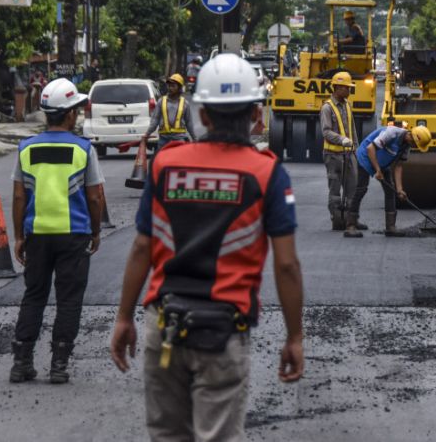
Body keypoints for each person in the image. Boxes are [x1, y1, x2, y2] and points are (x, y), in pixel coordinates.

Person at [110, 53, 304, 441]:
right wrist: (294, 337)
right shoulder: (266, 172)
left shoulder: (167, 164)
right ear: (254, 113)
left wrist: (123, 318)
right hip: (223, 334)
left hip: (163, 327)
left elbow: (141, 250)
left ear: (204, 115)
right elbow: (286, 266)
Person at [9, 78, 104, 384]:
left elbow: (19, 196)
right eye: (75, 109)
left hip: (37, 234)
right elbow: (94, 195)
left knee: (34, 295)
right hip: (74, 235)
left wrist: (20, 236)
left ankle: (21, 362)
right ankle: (59, 364)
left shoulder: (26, 148)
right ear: (68, 114)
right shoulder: (83, 149)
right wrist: (96, 231)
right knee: (69, 299)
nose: (77, 114)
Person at [347, 124, 432, 238]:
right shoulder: (391, 133)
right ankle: (351, 225)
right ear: (411, 136)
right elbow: (370, 148)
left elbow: (398, 167)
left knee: (390, 191)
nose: (415, 146)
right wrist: (377, 170)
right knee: (361, 189)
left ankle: (390, 227)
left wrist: (400, 189)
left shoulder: (406, 146)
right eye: (415, 144)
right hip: (366, 157)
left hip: (383, 163)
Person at [320, 71, 366, 234]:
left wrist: (357, 148)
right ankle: (337, 220)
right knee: (335, 190)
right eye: (347, 88)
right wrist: (341, 139)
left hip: (349, 154)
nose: (349, 91)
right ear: (338, 87)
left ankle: (351, 220)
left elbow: (352, 129)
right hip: (333, 155)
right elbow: (326, 132)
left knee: (352, 189)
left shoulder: (347, 104)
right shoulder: (327, 108)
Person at [144, 73, 196, 149]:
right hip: (164, 140)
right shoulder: (161, 101)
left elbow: (189, 123)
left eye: (173, 86)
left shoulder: (185, 104)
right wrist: (147, 134)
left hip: (179, 140)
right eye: (169, 85)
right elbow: (155, 120)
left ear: (179, 88)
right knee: (160, 160)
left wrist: (195, 139)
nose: (170, 88)